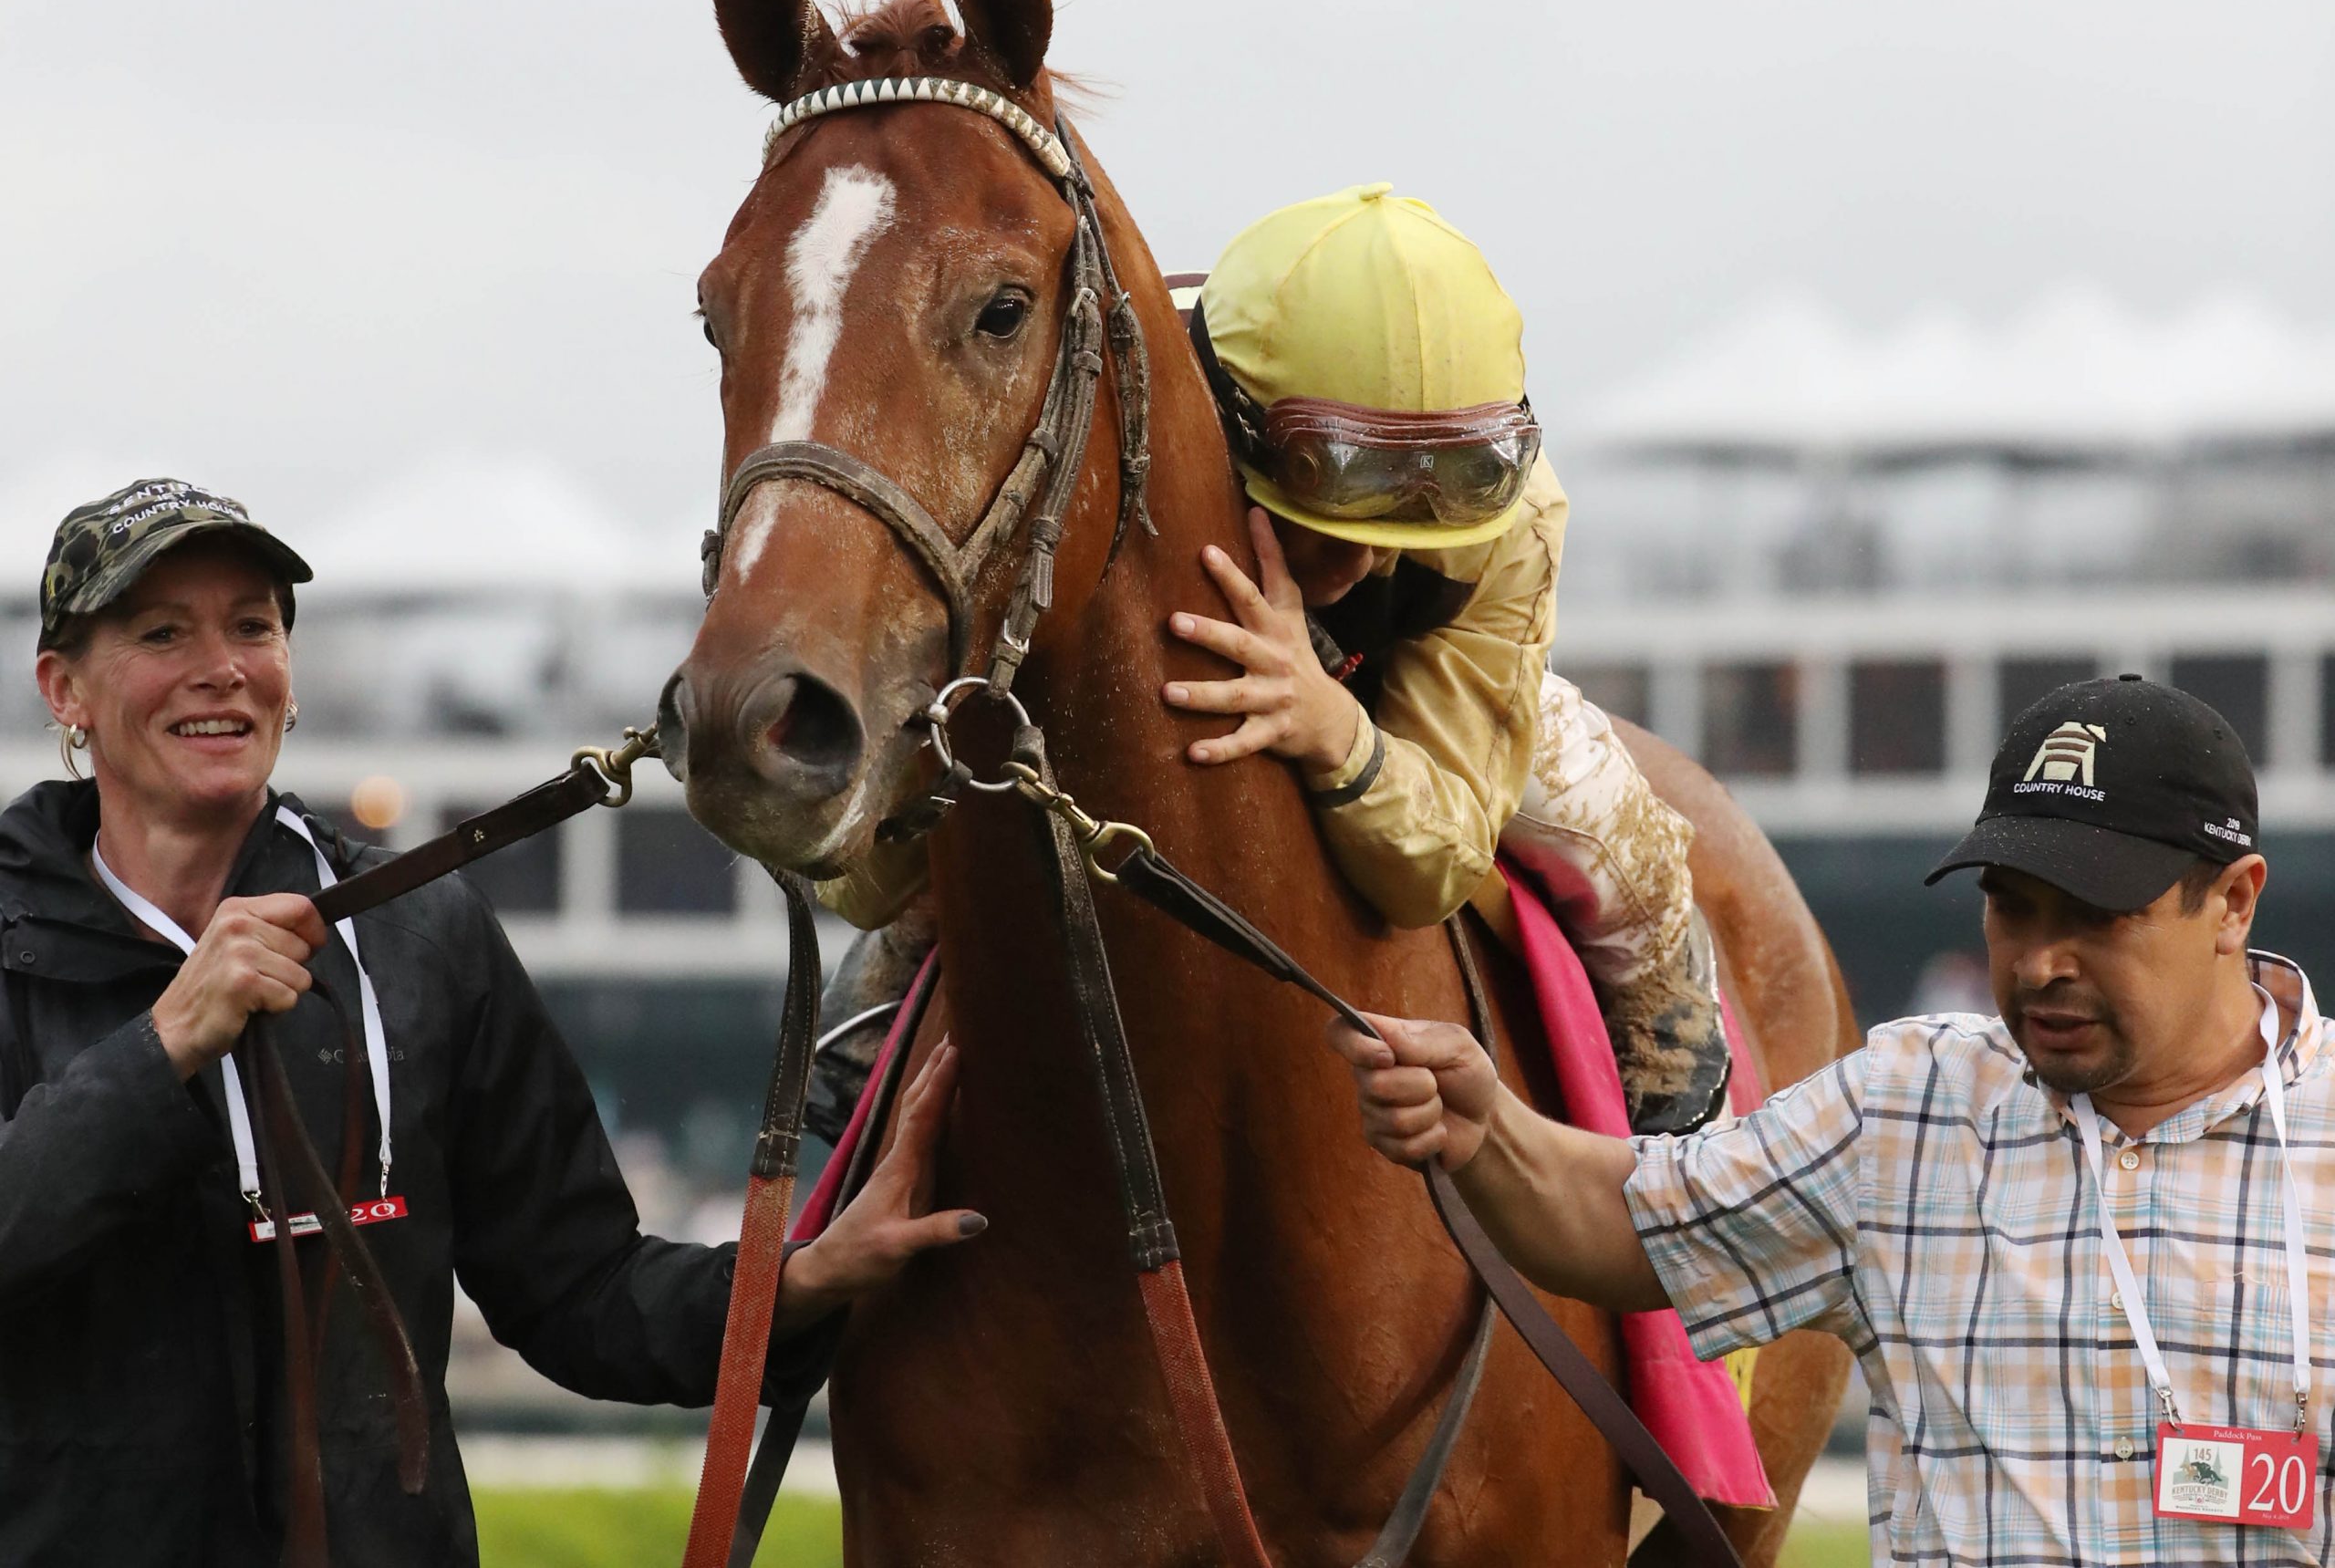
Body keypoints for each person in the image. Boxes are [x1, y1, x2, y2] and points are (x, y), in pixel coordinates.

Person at [1, 477, 981, 1568]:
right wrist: (164, 1046)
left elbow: (581, 1293)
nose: (223, 665)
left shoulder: (422, 932)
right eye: (160, 631)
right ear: (64, 688)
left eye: (254, 625)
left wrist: (797, 1278)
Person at [1334, 673, 2325, 1564]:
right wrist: (1481, 1127)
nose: (2037, 962)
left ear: (2233, 903)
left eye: (2095, 917)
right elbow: (1625, 1220)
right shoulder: (1905, 1103)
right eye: (2012, 908)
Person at [815, 184, 1729, 1135]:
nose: (1365, 559)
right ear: (1226, 423)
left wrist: (1335, 727)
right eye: (1326, 516)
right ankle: (903, 959)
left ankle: (1661, 990)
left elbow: (1432, 870)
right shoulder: (1117, 424)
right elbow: (849, 866)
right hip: (1163, 628)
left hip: (1403, 669)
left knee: (1610, 823)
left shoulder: (1516, 516)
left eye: (1413, 517)